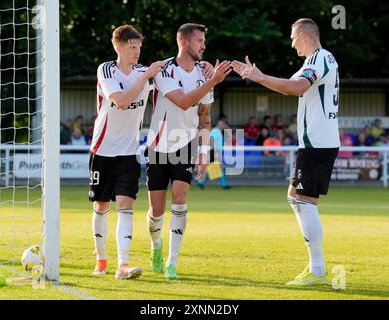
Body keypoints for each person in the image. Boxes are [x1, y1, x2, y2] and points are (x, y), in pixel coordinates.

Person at [232, 18, 340, 286]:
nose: (291, 44)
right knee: (300, 199)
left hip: (317, 142)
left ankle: (317, 270)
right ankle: (316, 268)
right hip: (318, 142)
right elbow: (288, 86)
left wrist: (259, 76)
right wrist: (258, 77)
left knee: (301, 200)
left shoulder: (319, 59)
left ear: (304, 35)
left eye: (293, 38)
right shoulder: (316, 61)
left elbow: (297, 87)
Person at [145, 23, 232, 280]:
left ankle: (172, 263)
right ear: (184, 43)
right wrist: (213, 80)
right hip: (158, 146)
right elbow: (183, 102)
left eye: (204, 41)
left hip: (186, 145)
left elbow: (204, 119)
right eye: (199, 41)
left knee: (180, 199)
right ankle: (156, 246)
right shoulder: (164, 70)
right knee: (156, 212)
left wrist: (203, 153)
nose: (204, 45)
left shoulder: (205, 75)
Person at [88, 25, 165, 280]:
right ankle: (101, 259)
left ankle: (123, 265)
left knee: (125, 206)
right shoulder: (106, 70)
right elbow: (120, 101)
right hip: (102, 149)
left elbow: (177, 70)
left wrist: (206, 70)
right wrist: (145, 78)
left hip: (129, 152)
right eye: (132, 47)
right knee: (101, 206)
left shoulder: (145, 72)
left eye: (139, 47)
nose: (137, 52)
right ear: (118, 47)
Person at [198, 120, 232, 190]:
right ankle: (223, 185)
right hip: (215, 152)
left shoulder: (217, 131)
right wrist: (213, 150)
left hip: (215, 151)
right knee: (219, 167)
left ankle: (201, 182)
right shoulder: (216, 131)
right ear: (220, 124)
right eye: (223, 125)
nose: (223, 127)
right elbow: (211, 139)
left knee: (214, 168)